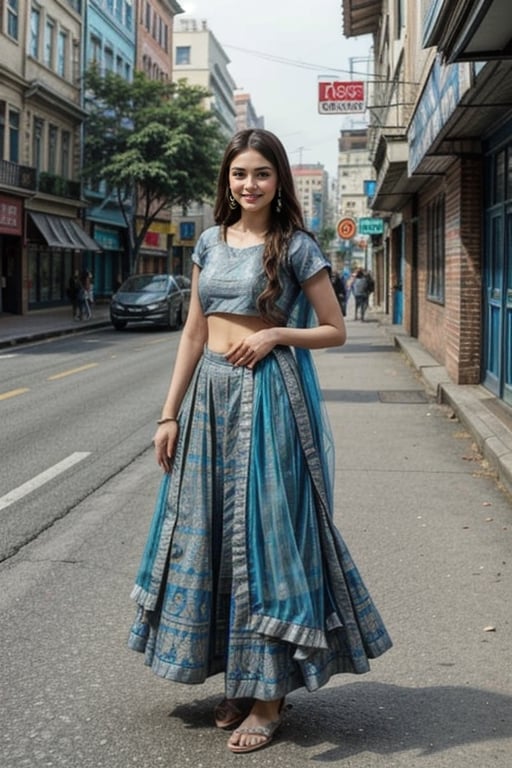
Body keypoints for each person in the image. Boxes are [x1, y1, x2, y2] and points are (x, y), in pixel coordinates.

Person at [128, 129, 392, 754]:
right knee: (212, 534)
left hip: (271, 398)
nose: (248, 184)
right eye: (239, 173)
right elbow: (193, 334)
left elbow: (335, 330)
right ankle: (239, 680)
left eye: (261, 174)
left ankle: (269, 698)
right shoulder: (209, 244)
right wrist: (168, 415)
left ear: (279, 183)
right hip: (208, 403)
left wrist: (277, 336)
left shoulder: (296, 247)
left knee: (269, 536)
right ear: (227, 179)